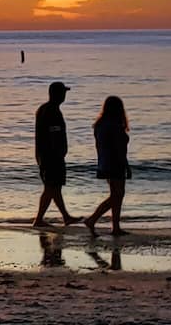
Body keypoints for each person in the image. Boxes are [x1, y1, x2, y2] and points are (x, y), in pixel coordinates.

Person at [83, 96, 132, 236]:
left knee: (116, 194)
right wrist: (126, 165)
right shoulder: (114, 125)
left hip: (105, 162)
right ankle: (93, 219)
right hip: (115, 162)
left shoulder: (101, 124)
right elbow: (119, 148)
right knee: (117, 195)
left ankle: (115, 227)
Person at [32, 82, 78, 227]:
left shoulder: (44, 109)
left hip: (45, 155)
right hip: (52, 157)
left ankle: (65, 217)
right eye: (63, 92)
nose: (65, 95)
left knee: (54, 187)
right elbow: (54, 134)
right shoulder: (52, 111)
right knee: (51, 187)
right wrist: (58, 153)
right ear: (57, 94)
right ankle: (39, 220)